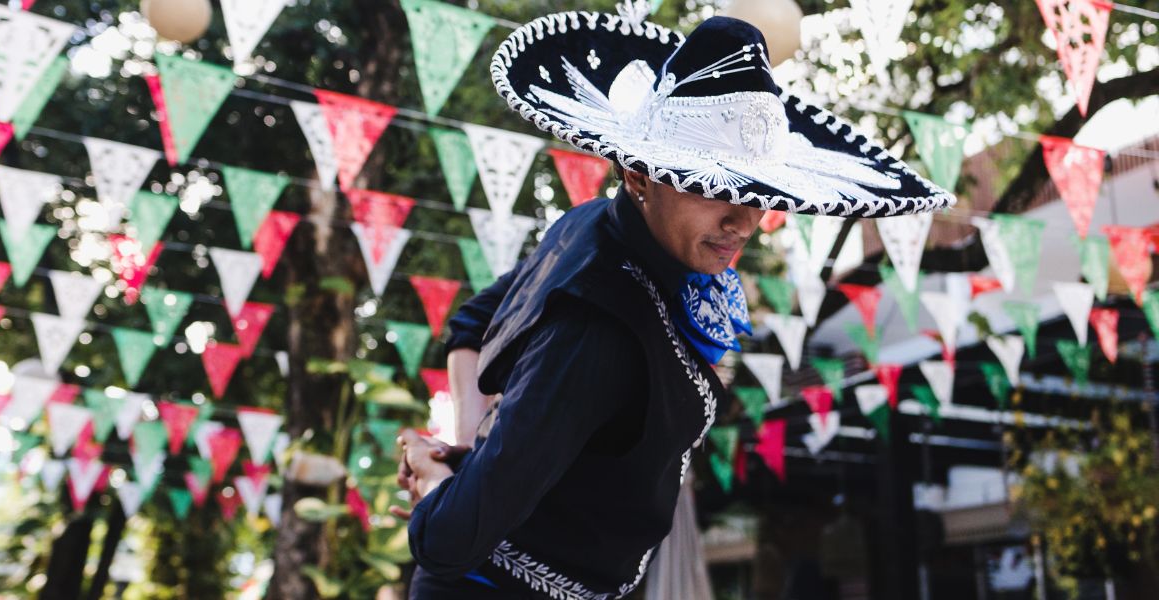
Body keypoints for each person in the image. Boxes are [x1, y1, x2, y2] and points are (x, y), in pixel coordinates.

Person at [394, 8, 954, 599]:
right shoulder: (602, 323)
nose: (744, 219)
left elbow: (474, 323)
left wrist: (473, 436)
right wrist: (438, 477)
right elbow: (448, 538)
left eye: (760, 194)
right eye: (715, 187)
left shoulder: (597, 229)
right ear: (639, 175)